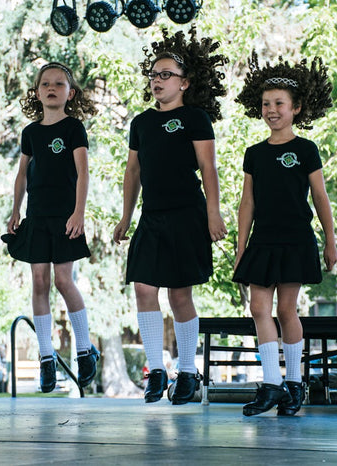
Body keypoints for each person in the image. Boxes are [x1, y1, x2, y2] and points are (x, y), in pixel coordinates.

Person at [112, 27, 228, 404]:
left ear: (184, 82)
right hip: (152, 216)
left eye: (166, 75)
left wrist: (214, 214)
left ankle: (188, 374)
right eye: (154, 75)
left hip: (188, 215)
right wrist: (126, 217)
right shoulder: (141, 123)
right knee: (144, 287)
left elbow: (208, 169)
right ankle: (155, 370)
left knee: (180, 295)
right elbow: (133, 173)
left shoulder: (195, 118)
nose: (157, 81)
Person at [233, 52, 337, 416]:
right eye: (266, 104)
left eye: (279, 103)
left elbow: (321, 198)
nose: (271, 109)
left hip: (295, 239)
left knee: (286, 308)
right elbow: (247, 203)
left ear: (296, 109)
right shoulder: (254, 153)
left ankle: (294, 383)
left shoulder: (305, 149)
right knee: (258, 307)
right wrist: (240, 245)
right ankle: (272, 385)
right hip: (262, 240)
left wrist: (331, 240)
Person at [2, 62, 99, 393]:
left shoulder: (74, 129)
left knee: (62, 279)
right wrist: (15, 211)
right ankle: (46, 357)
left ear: (69, 93)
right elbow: (21, 175)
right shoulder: (31, 133)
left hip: (65, 216)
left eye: (59, 83)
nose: (52, 88)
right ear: (38, 91)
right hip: (37, 216)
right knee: (39, 281)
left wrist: (78, 213)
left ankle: (85, 349)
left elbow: (83, 173)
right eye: (46, 83)